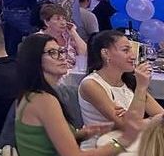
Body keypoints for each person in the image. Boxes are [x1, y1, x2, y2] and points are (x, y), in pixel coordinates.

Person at [14, 33, 147, 156]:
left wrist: (83, 134)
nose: (62, 57)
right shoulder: (44, 100)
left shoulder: (34, 96)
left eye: (61, 51)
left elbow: (45, 141)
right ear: (34, 60)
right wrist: (123, 141)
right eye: (52, 53)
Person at [78, 30, 164, 149]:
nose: (133, 56)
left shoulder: (130, 82)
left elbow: (161, 115)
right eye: (125, 50)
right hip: (102, 147)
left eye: (132, 50)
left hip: (133, 143)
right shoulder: (91, 84)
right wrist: (141, 87)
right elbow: (128, 126)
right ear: (105, 53)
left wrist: (137, 120)